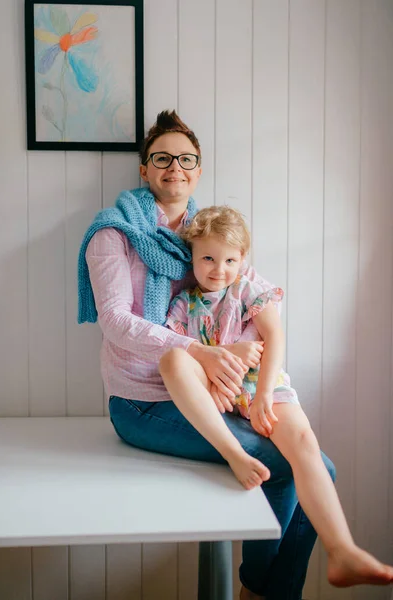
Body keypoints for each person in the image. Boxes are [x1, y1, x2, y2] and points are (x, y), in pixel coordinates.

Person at [76, 109, 383, 599]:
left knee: (316, 465)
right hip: (145, 401)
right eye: (161, 158)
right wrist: (202, 352)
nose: (173, 167)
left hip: (216, 389)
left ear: (198, 170)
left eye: (185, 159)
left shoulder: (209, 237)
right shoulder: (115, 234)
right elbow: (115, 320)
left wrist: (245, 370)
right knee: (295, 467)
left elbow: (251, 306)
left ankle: (267, 588)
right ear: (144, 169)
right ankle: (263, 590)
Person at [159, 204, 393, 590]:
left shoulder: (249, 289)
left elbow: (274, 339)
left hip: (265, 387)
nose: (219, 269)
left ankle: (343, 551)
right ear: (193, 257)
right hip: (229, 397)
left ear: (243, 259)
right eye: (208, 258)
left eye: (230, 259)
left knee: (303, 443)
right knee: (179, 363)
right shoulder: (185, 306)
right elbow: (187, 358)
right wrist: (216, 382)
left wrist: (265, 394)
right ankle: (258, 580)